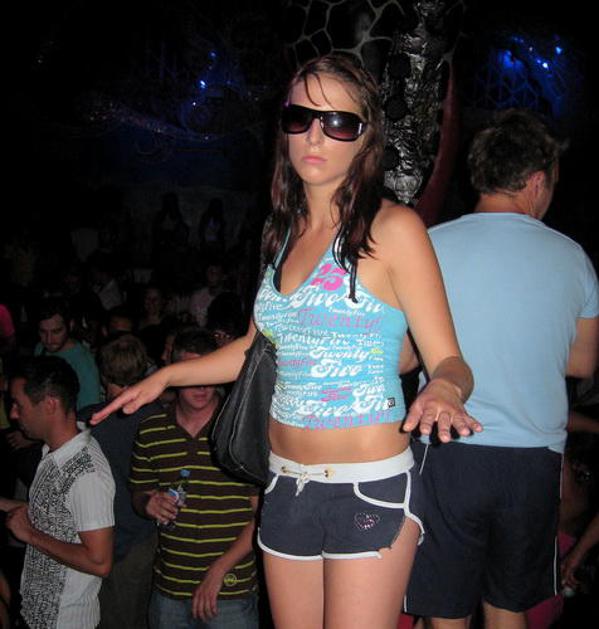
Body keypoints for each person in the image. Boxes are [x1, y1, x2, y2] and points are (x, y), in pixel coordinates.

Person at [93, 54, 479, 629]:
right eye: (301, 118)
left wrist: (444, 387)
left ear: (365, 138)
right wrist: (166, 376)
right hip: (284, 483)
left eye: (338, 122)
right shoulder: (280, 235)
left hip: (365, 485)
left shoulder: (394, 229)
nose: (314, 136)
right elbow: (255, 347)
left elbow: (450, 360)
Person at [404, 109, 599, 628]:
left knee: (443, 612)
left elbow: (404, 355)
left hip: (448, 450)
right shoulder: (574, 259)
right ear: (536, 181)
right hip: (532, 462)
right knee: (508, 609)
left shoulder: (429, 244)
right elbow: (583, 362)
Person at [129, 328, 259, 629]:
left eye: (207, 374)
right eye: (192, 375)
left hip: (230, 589)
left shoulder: (239, 428)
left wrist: (218, 571)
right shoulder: (151, 431)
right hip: (170, 589)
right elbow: (138, 493)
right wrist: (148, 503)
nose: (201, 385)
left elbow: (263, 514)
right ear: (175, 374)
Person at [1, 356, 115, 629]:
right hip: (37, 616)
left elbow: (99, 562)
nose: (13, 414)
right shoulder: (54, 453)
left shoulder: (86, 473)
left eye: (19, 405)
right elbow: (54, 516)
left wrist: (29, 534)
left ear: (50, 404)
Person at [80, 335, 160, 629]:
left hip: (99, 535)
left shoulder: (87, 421)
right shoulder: (160, 418)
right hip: (140, 536)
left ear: (103, 373)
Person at [34, 297, 102, 410]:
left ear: (70, 326)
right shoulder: (40, 348)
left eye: (56, 331)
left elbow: (88, 411)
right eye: (43, 332)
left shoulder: (84, 363)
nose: (49, 340)